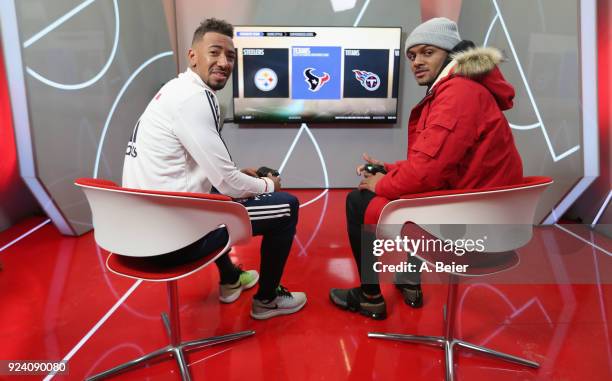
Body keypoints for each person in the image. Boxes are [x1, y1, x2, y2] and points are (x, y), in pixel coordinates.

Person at [330, 17, 524, 319]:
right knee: (417, 193)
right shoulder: (463, 87)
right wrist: (389, 167)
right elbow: (442, 164)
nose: (416, 62)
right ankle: (409, 279)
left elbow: (427, 174)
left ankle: (369, 296)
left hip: (472, 224)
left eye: (427, 52)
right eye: (411, 55)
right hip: (476, 207)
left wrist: (379, 183)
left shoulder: (458, 92)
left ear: (448, 54)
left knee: (359, 201)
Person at [122, 18, 306, 320]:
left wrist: (235, 176)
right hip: (170, 240)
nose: (224, 62)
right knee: (286, 208)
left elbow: (203, 169)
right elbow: (230, 185)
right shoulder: (194, 99)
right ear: (192, 56)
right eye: (215, 53)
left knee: (215, 194)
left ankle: (231, 278)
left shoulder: (175, 89)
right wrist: (269, 185)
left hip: (141, 229)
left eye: (230, 56)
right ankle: (268, 300)